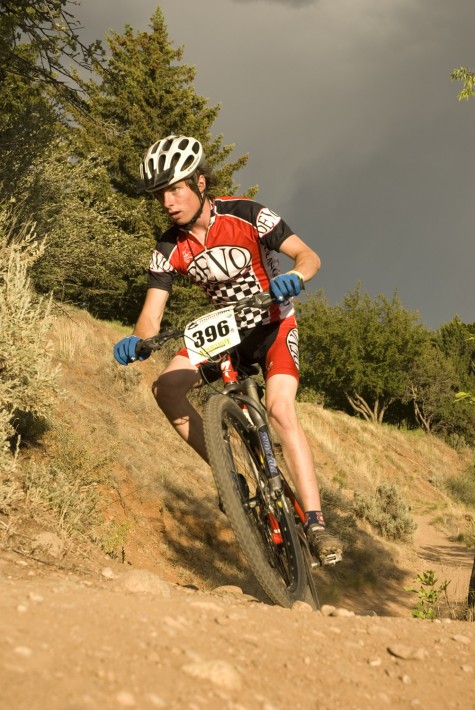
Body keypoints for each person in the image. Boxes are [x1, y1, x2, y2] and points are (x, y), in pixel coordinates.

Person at [113, 134, 342, 565]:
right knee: (166, 389)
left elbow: (308, 255)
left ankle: (315, 523)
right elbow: (151, 315)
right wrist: (139, 340)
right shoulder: (168, 248)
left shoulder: (248, 214)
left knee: (279, 409)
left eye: (175, 188)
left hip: (273, 323)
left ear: (200, 183)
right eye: (161, 193)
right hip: (227, 330)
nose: (167, 201)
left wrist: (297, 276)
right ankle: (229, 475)